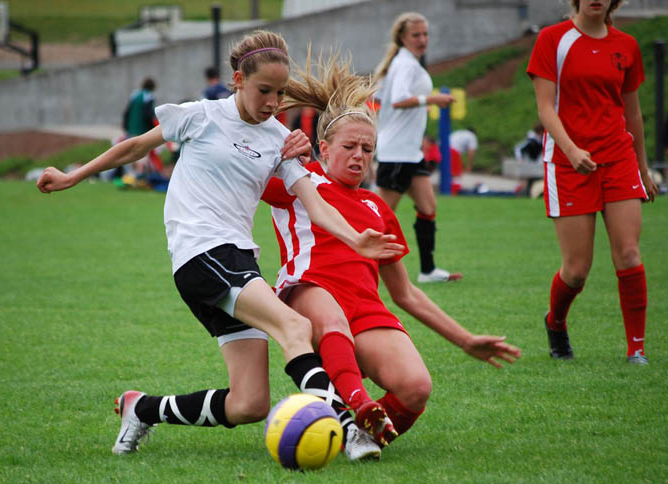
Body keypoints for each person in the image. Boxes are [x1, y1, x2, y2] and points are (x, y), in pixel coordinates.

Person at [36, 30, 404, 456]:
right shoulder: (201, 115)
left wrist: (357, 238)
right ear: (237, 80)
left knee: (249, 403)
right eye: (264, 90)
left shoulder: (277, 140)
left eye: (280, 93)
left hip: (238, 260)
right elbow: (134, 147)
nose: (272, 102)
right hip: (201, 253)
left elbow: (317, 206)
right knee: (296, 326)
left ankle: (141, 409)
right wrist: (72, 176)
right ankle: (347, 425)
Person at [263, 53, 521, 458]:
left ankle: (355, 437)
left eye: (368, 149)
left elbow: (406, 294)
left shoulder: (376, 207)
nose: (359, 156)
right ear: (324, 148)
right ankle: (356, 407)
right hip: (307, 296)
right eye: (349, 146)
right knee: (329, 312)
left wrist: (465, 339)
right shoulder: (299, 181)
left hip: (364, 311)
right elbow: (239, 167)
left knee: (417, 387)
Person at [527, 0, 658, 364]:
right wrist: (571, 151)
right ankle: (556, 322)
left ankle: (637, 349)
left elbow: (632, 111)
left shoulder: (626, 45)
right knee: (577, 269)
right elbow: (545, 109)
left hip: (619, 159)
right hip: (569, 164)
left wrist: (643, 170)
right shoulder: (553, 39)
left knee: (629, 254)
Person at [373, 12, 462, 283]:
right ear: (402, 37)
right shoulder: (405, 64)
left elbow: (382, 98)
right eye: (416, 35)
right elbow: (399, 100)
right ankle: (354, 268)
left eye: (425, 34)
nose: (423, 40)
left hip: (410, 153)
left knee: (427, 206)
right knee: (378, 218)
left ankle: (427, 270)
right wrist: (433, 99)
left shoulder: (406, 62)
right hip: (397, 153)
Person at [119, 77, 163, 176]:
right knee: (141, 155)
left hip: (131, 129)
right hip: (142, 130)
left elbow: (127, 112)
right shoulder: (149, 97)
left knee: (131, 153)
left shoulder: (134, 95)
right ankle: (139, 177)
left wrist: (126, 126)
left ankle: (131, 175)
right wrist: (152, 128)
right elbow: (148, 115)